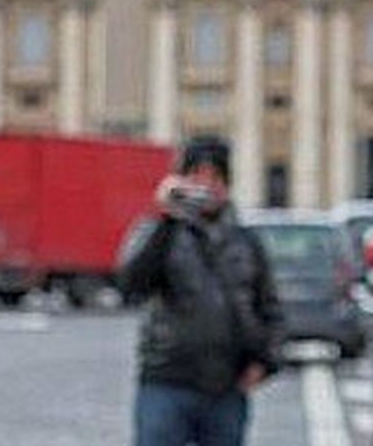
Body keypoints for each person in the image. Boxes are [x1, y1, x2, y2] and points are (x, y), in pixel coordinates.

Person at [116, 141, 282, 446]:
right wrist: (167, 218)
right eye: (197, 177)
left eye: (215, 178)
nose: (206, 187)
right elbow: (131, 286)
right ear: (181, 182)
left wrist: (266, 362)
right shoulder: (157, 232)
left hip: (227, 385)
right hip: (167, 379)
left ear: (227, 185)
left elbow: (269, 306)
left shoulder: (246, 242)